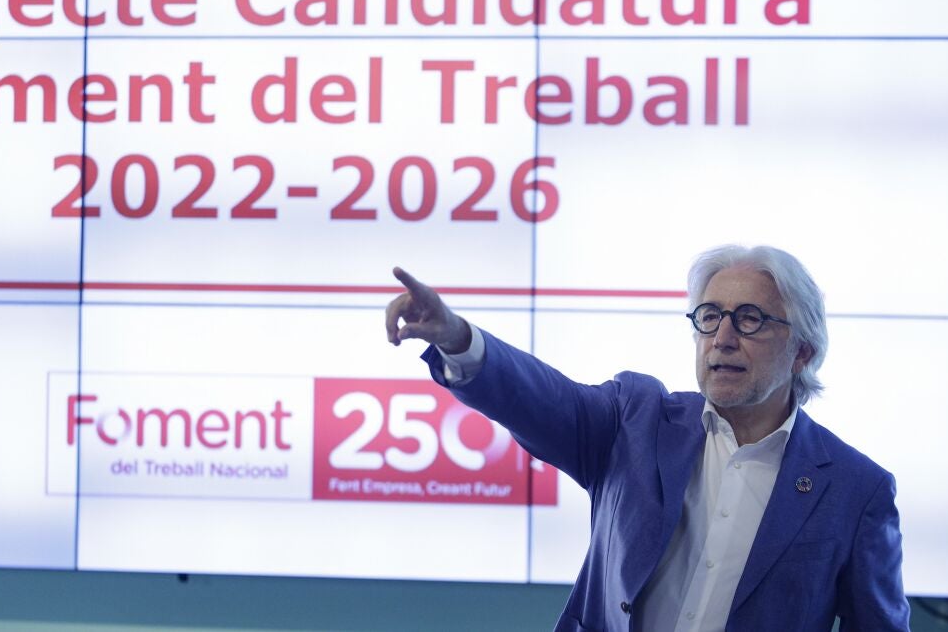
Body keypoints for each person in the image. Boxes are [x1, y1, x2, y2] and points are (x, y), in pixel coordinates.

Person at [384, 245, 910, 632]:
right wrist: (457, 338)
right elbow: (540, 399)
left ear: (802, 352)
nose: (722, 338)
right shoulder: (635, 419)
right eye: (709, 317)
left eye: (749, 320)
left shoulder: (855, 490)